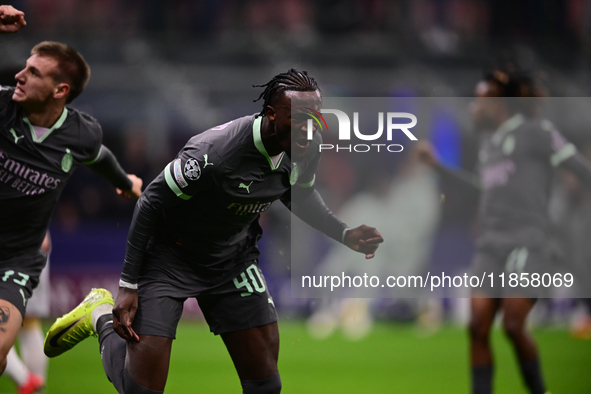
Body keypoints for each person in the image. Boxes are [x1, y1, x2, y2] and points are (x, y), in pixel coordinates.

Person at [44, 69, 383, 394]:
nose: (310, 131)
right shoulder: (214, 153)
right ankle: (99, 315)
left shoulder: (306, 147)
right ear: (271, 115)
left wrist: (344, 233)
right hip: (170, 258)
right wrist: (128, 284)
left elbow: (301, 194)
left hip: (232, 261)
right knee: (140, 391)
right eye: (300, 121)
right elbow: (149, 202)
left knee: (266, 385)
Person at [415, 68, 591, 394]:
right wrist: (437, 166)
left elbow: (580, 169)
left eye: (480, 102)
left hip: (528, 241)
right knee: (477, 326)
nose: (473, 108)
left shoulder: (537, 131)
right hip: (490, 245)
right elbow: (482, 190)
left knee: (512, 324)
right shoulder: (488, 145)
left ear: (500, 104)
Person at [0, 3, 142, 378]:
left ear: (60, 90)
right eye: (24, 67)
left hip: (16, 260)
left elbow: (99, 157)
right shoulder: (2, 107)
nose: (19, 76)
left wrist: (125, 183)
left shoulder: (81, 133)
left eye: (33, 72)